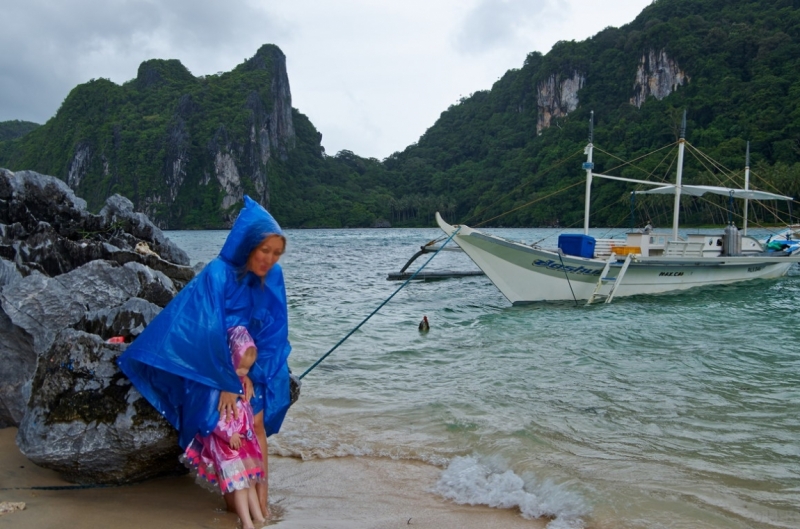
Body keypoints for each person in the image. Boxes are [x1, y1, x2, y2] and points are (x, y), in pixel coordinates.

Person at [118, 196, 292, 518]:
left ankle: (262, 507)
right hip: (210, 359)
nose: (270, 259)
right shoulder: (218, 273)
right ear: (249, 244)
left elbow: (273, 331)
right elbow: (206, 327)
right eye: (264, 250)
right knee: (222, 418)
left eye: (276, 253)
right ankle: (238, 502)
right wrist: (226, 381)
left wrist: (253, 374)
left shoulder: (273, 278)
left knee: (256, 419)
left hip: (251, 359)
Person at [182, 326, 265, 529]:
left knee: (249, 482)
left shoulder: (240, 382)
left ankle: (260, 518)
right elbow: (211, 417)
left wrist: (246, 431)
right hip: (226, 446)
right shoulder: (217, 386)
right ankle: (247, 523)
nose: (243, 373)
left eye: (247, 369)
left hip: (241, 442)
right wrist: (230, 434)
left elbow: (244, 412)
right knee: (239, 485)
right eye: (240, 368)